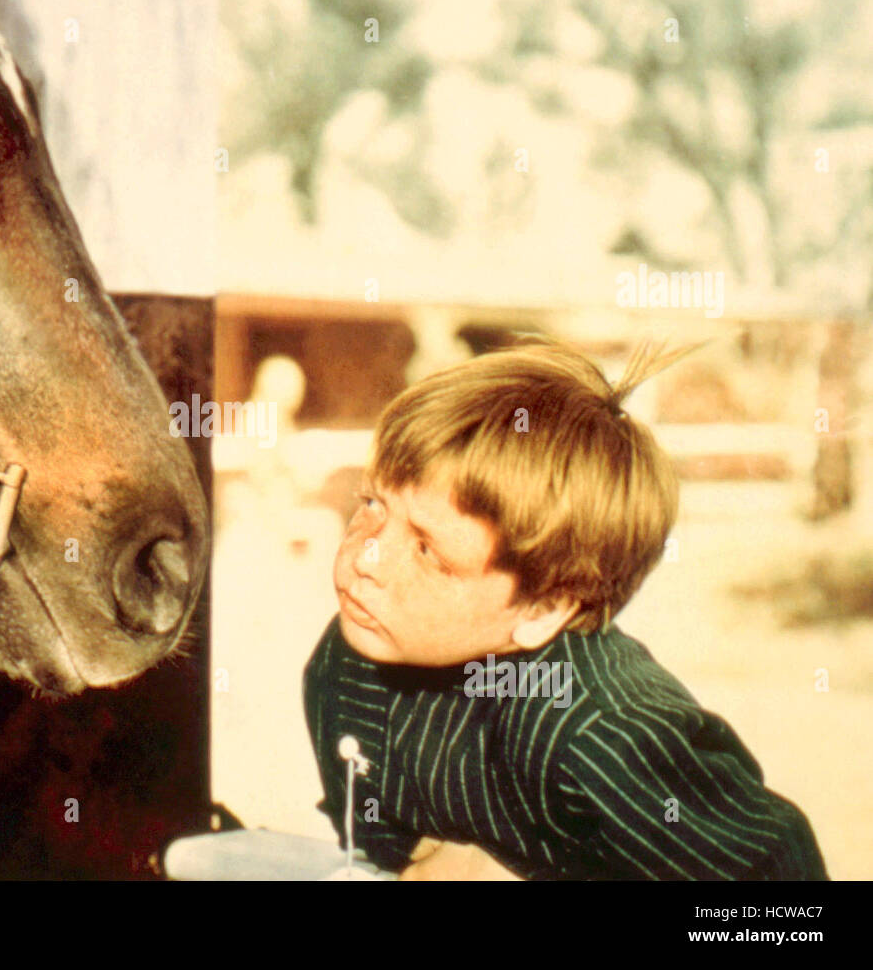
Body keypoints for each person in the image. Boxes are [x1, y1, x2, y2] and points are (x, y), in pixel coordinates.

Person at [303, 340, 827, 880]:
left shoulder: (601, 734)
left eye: (427, 550)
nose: (367, 558)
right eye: (371, 504)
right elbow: (379, 846)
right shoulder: (347, 666)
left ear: (542, 606)